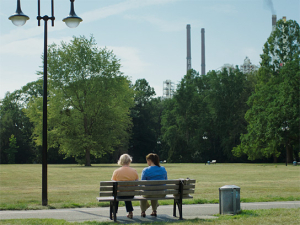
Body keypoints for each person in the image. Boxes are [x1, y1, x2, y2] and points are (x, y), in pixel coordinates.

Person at [140, 153, 167, 217]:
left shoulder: (146, 170)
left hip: (149, 193)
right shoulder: (163, 169)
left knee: (144, 192)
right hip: (162, 193)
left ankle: (143, 211)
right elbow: (166, 180)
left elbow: (142, 183)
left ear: (149, 160)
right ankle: (154, 211)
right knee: (155, 190)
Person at [111, 154, 138, 219]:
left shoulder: (116, 171)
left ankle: (114, 213)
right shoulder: (134, 171)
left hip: (119, 194)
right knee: (127, 193)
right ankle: (130, 212)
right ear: (129, 161)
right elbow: (137, 184)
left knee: (116, 195)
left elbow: (113, 183)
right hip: (130, 194)